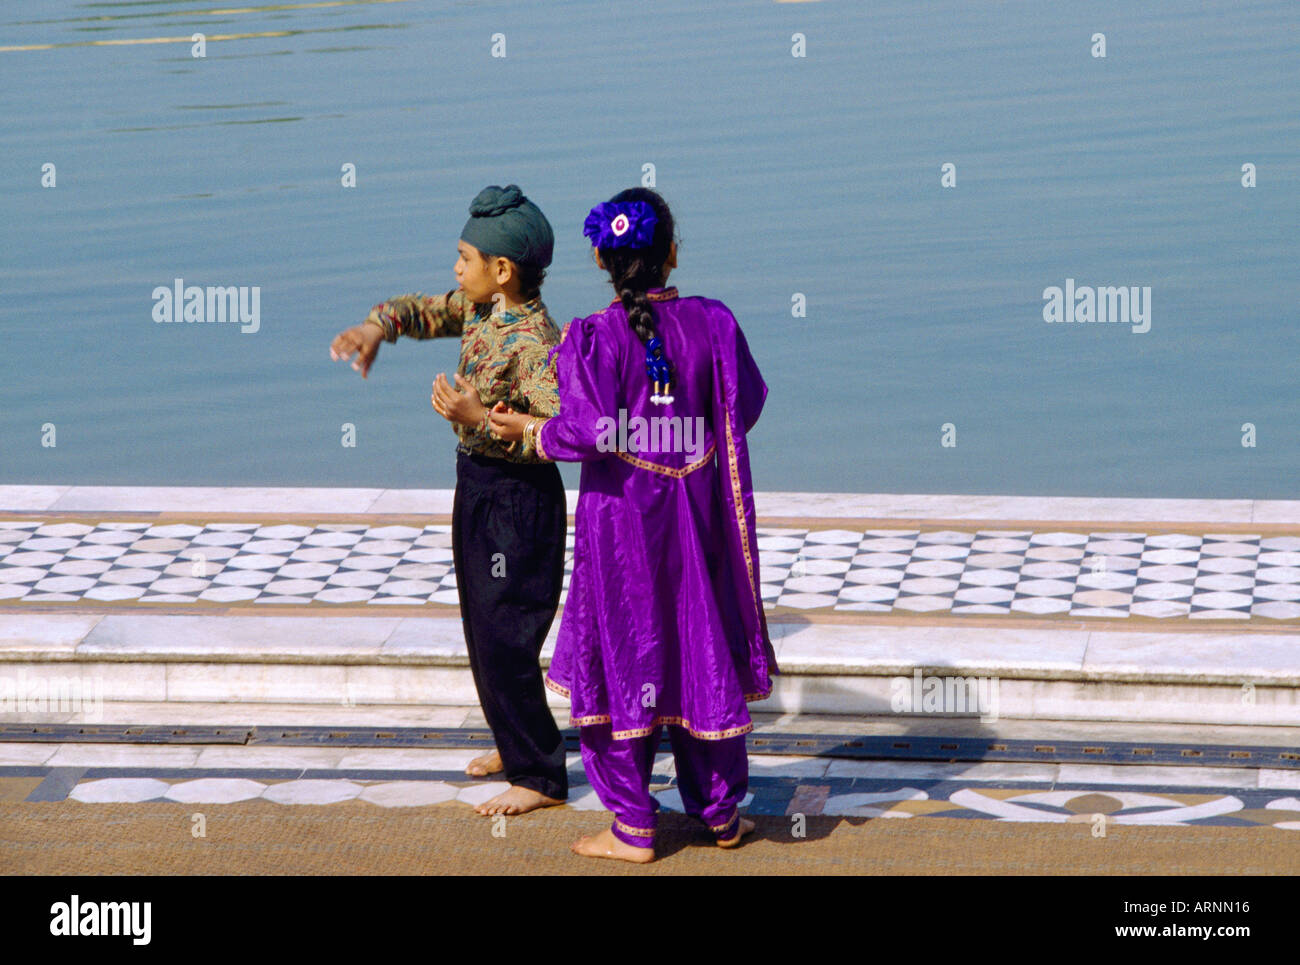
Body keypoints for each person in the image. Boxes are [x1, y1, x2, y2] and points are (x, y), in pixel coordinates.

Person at [489, 187, 778, 861]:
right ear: (671, 253)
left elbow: (587, 430)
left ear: (599, 257)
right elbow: (747, 405)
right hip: (700, 521)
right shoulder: (715, 323)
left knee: (626, 655)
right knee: (700, 648)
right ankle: (721, 812)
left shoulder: (592, 337)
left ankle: (632, 825)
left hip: (623, 530)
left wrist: (534, 431)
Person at [329, 184, 568, 817]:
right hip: (478, 488)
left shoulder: (538, 343)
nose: (456, 271)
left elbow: (558, 436)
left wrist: (480, 416)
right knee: (480, 625)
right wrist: (376, 326)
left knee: (508, 632)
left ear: (503, 270)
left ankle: (540, 774)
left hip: (520, 501)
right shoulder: (481, 310)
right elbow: (426, 311)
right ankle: (513, 741)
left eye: (465, 259)